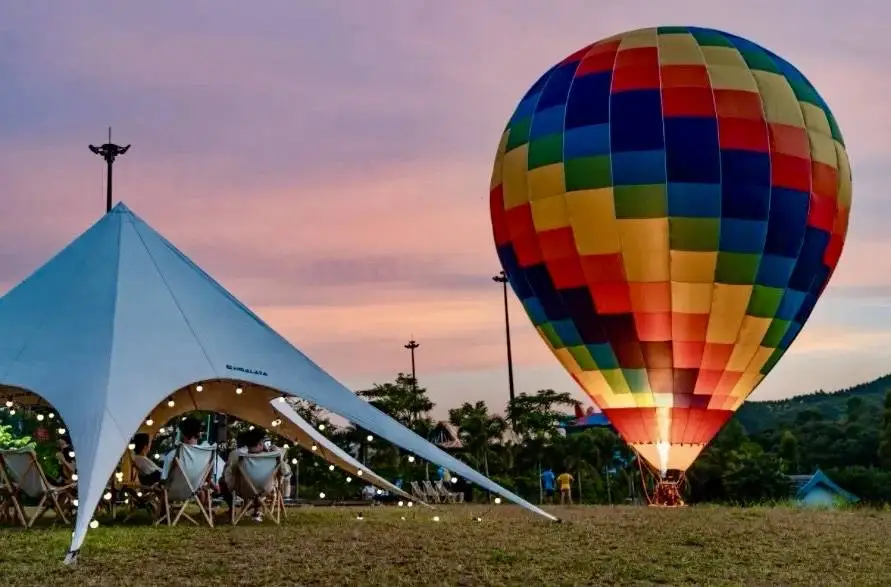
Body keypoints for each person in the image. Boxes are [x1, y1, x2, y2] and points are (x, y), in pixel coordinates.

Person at [221, 428, 290, 522]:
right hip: (266, 489)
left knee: (222, 480)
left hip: (243, 490)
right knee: (260, 488)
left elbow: (229, 473)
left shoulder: (238, 456)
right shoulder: (273, 457)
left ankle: (236, 511)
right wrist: (275, 449)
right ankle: (256, 511)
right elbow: (286, 472)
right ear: (261, 443)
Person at [162, 417, 225, 488]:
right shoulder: (207, 453)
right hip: (196, 491)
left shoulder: (173, 454)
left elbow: (164, 479)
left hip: (174, 493)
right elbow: (211, 477)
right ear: (199, 434)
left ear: (183, 433)